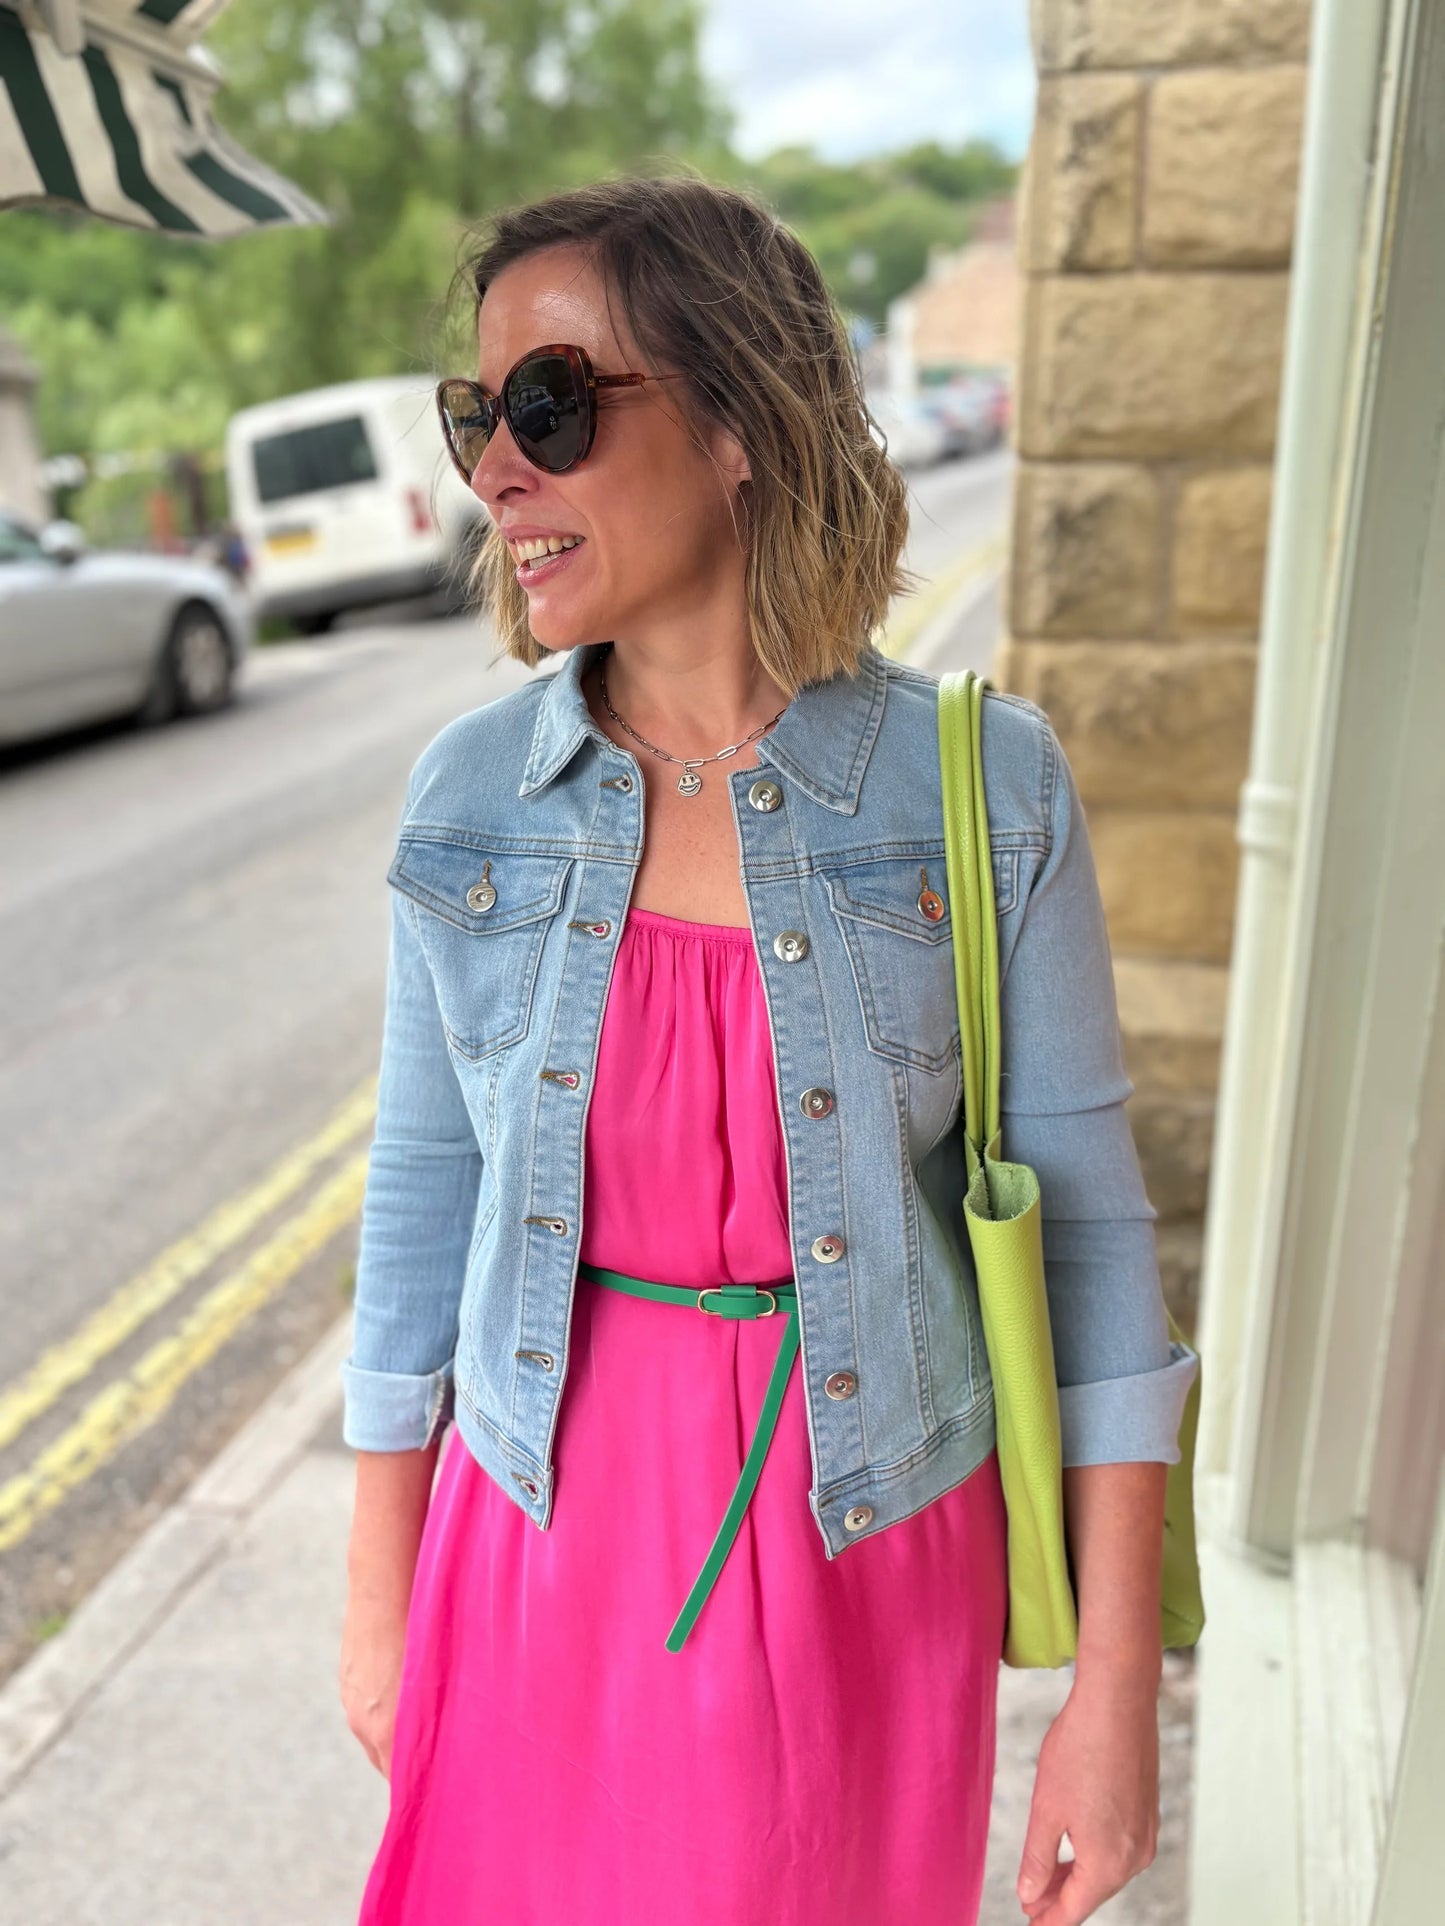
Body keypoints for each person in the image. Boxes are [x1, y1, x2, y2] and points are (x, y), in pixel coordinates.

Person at [337, 175, 1199, 1926]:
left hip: (864, 1544)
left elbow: (1095, 1248)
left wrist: (1114, 1694)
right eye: (475, 415)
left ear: (738, 420)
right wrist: (377, 1603)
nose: (496, 470)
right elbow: (420, 1209)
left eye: (551, 405)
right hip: (539, 1536)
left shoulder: (983, 788)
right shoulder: (472, 799)